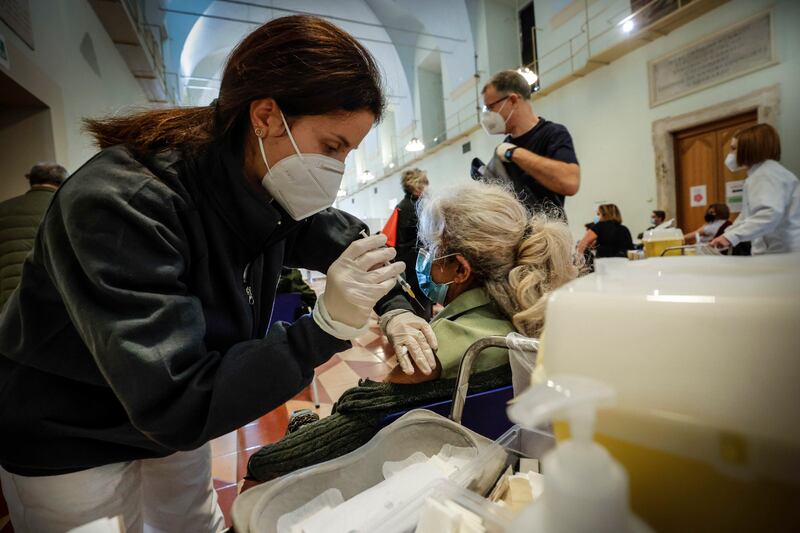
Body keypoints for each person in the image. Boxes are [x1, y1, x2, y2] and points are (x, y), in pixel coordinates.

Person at [0, 16, 438, 533]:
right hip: (71, 435)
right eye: (332, 145)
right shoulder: (125, 203)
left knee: (194, 524)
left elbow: (347, 238)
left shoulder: (264, 185)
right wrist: (322, 330)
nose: (338, 167)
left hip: (172, 426)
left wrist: (396, 309)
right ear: (267, 116)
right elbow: (176, 398)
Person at [246, 181, 580, 481]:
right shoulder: (535, 325)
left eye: (431, 249)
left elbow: (357, 427)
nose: (423, 258)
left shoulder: (431, 351)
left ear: (459, 269)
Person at [479, 70, 580, 217]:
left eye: (490, 107)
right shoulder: (503, 148)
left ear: (513, 100)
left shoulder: (553, 134)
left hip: (549, 236)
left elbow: (570, 182)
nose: (487, 115)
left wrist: (513, 153)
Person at [711, 124, 800, 254]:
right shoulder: (768, 172)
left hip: (780, 253)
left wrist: (731, 236)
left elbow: (768, 214)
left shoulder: (765, 174)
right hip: (781, 253)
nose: (730, 154)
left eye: (733, 148)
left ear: (748, 149)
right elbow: (748, 215)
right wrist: (727, 234)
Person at [0, 162, 67, 309]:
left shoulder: (3, 209)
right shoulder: (63, 207)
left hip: (9, 300)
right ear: (61, 183)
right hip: (53, 298)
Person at [393, 168, 433, 320]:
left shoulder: (403, 205)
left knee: (416, 302)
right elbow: (425, 235)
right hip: (416, 264)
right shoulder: (413, 206)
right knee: (420, 305)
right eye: (422, 184)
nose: (425, 188)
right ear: (414, 186)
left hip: (408, 263)